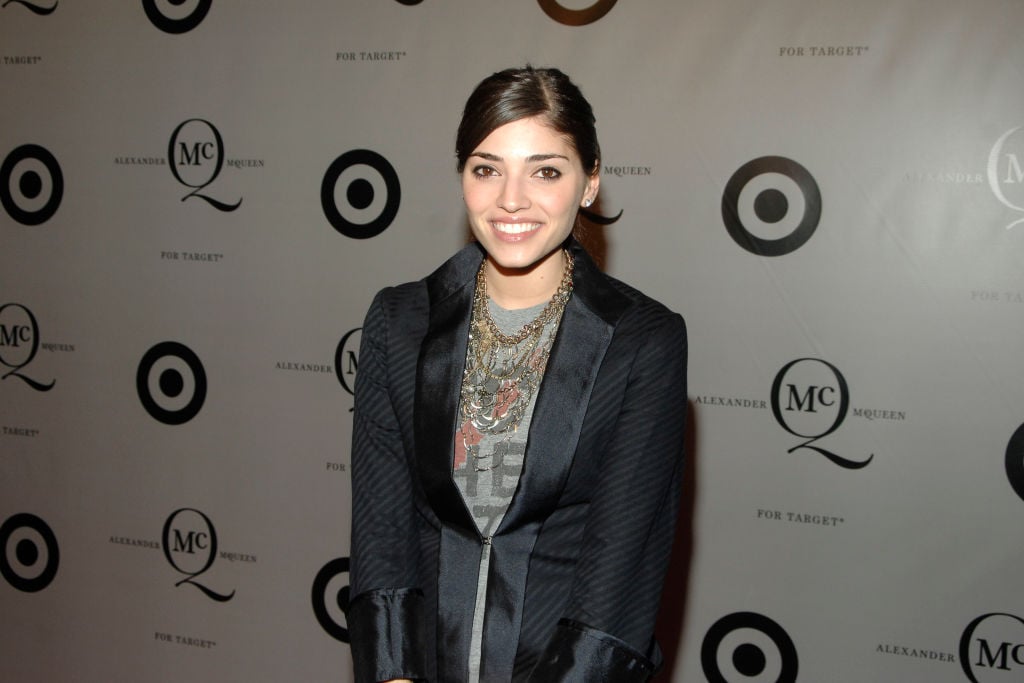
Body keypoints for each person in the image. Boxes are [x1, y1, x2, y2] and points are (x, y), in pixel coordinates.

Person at [348, 65, 687, 683]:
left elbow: (620, 568)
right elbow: (382, 530)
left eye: (545, 171)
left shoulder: (642, 341)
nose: (511, 198)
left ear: (590, 182)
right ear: (462, 178)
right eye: (487, 169)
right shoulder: (399, 322)